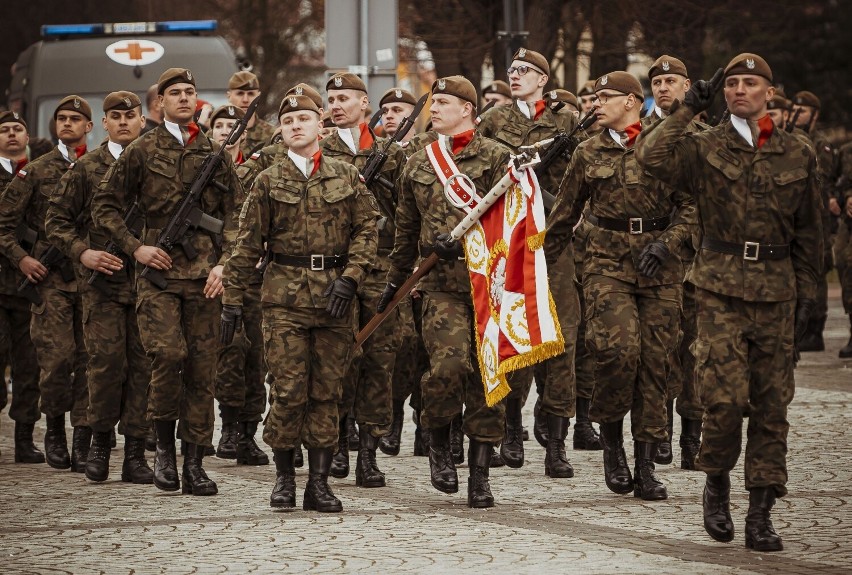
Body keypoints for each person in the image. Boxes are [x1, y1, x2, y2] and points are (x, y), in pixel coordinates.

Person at [636, 53, 823, 551]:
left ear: (770, 92)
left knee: (771, 405)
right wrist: (683, 112)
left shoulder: (798, 153)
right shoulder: (702, 145)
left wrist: (810, 298)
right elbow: (649, 158)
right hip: (718, 289)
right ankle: (715, 484)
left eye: (750, 83)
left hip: (777, 292)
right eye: (732, 83)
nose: (740, 90)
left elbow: (810, 234)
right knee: (721, 401)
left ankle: (761, 509)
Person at [221, 93, 378, 511]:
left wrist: (352, 277)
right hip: (284, 300)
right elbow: (246, 244)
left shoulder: (347, 175)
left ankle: (320, 483)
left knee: (327, 391)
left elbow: (367, 231)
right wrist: (233, 300)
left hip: (334, 299)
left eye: (303, 118)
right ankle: (285, 476)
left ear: (320, 126)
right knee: (289, 390)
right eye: (288, 119)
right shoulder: (268, 180)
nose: (295, 125)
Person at [546, 71, 696, 501]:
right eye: (593, 98)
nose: (595, 104)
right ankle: (613, 444)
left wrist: (668, 244)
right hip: (605, 265)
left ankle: (646, 463)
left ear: (632, 101)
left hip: (660, 269)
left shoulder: (668, 146)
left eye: (604, 97)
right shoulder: (587, 151)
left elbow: (691, 208)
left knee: (656, 363)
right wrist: (536, 269)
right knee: (617, 351)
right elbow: (564, 216)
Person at [92, 68, 243, 496]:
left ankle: (194, 462)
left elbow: (237, 216)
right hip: (157, 276)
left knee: (202, 368)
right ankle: (162, 452)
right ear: (159, 103)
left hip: (203, 278)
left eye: (189, 92)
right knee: (167, 355)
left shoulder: (215, 152)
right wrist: (135, 246)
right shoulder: (141, 150)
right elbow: (105, 205)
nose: (182, 98)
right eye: (174, 93)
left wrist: (225, 264)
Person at [378, 75, 510, 508]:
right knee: (448, 367)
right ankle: (437, 440)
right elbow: (405, 230)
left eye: (445, 102)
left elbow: (516, 223)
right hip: (440, 287)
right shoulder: (418, 163)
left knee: (490, 378)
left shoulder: (496, 159)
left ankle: (480, 472)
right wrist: (396, 281)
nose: (434, 109)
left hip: (489, 282)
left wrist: (477, 242)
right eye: (434, 103)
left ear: (468, 109)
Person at [477, 47, 581, 477]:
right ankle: (511, 425)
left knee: (562, 338)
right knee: (516, 333)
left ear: (543, 78)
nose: (514, 75)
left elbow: (586, 173)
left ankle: (556, 442)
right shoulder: (494, 121)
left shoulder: (568, 122)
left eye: (524, 71)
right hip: (512, 243)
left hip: (554, 243)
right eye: (512, 70)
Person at [45, 91, 152, 483]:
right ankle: (100, 445)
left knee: (144, 368)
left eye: (131, 115)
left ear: (143, 120)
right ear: (103, 123)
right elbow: (56, 220)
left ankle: (136, 453)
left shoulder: (155, 166)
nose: (124, 121)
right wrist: (82, 254)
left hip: (148, 284)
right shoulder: (86, 168)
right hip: (102, 285)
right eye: (115, 116)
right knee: (105, 366)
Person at [322, 72, 406, 487]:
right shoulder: (317, 151)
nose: (336, 105)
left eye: (345, 98)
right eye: (331, 98)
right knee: (340, 357)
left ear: (364, 105)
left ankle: (369, 453)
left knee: (379, 360)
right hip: (336, 270)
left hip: (383, 267)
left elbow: (409, 208)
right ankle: (338, 439)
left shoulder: (391, 153)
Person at [0, 96, 92, 472]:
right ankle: (54, 430)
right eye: (61, 119)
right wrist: (22, 258)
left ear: (89, 126)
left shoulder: (100, 168)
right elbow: (4, 226)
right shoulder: (35, 172)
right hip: (50, 281)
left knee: (90, 363)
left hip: (91, 282)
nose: (67, 124)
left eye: (75, 119)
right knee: (55, 361)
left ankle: (83, 437)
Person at [645, 55, 706, 469]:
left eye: (671, 81)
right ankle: (660, 432)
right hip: (656, 260)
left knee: (696, 352)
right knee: (660, 351)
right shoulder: (641, 136)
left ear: (687, 87)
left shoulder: (709, 135)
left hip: (698, 260)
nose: (663, 88)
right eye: (657, 82)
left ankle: (692, 437)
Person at [0, 110, 43, 464]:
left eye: (18, 129)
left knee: (29, 366)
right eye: (4, 130)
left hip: (30, 286)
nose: (12, 135)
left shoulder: (38, 174)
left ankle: (25, 439)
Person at [791, 90, 837, 352]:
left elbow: (823, 177)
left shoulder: (821, 144)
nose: (798, 114)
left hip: (818, 216)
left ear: (815, 115)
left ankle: (816, 328)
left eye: (803, 111)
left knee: (817, 272)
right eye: (795, 109)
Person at [226, 71, 275, 156]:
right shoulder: (216, 133)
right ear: (229, 96)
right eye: (240, 93)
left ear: (258, 96)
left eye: (251, 94)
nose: (245, 99)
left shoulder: (271, 135)